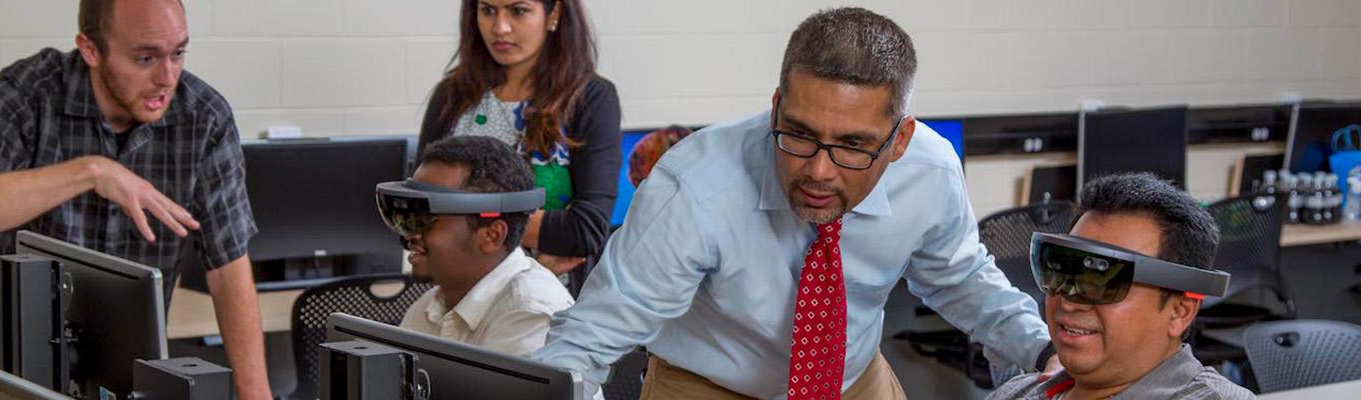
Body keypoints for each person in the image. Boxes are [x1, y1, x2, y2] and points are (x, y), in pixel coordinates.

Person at [531, 7, 1061, 399]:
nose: (819, 171)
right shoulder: (692, 187)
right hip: (707, 384)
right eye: (799, 134)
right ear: (776, 107)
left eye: (853, 145)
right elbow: (592, 336)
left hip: (853, 379)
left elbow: (960, 279)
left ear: (899, 141)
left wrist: (1042, 351)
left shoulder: (929, 171)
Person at [0, 0, 270, 398]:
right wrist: (92, 171)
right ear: (90, 49)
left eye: (177, 53)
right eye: (145, 58)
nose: (166, 77)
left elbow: (228, 267)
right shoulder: (28, 94)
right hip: (0, 371)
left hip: (122, 382)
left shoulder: (204, 118)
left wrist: (255, 395)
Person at [987, 173, 1254, 400]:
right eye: (1061, 270)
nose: (1068, 300)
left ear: (1180, 311)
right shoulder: (1018, 392)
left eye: (1102, 280)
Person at [417, 0, 622, 287]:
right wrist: (534, 230)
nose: (500, 27)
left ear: (553, 13)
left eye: (518, 10)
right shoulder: (452, 96)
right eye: (488, 10)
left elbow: (585, 230)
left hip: (550, 302)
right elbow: (417, 213)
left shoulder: (590, 98)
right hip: (457, 299)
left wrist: (458, 215)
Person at [376, 136, 574, 356]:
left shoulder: (530, 317)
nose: (410, 236)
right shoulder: (428, 307)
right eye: (408, 221)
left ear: (491, 235)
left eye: (426, 220)